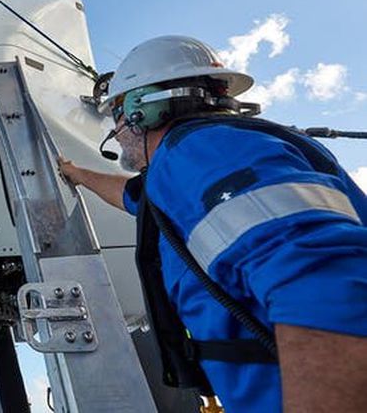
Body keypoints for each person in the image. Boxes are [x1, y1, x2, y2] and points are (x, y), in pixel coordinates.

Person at [57, 35, 367, 413]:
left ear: (141, 110)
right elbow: (135, 198)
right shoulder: (194, 167)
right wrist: (76, 173)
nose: (118, 135)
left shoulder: (205, 153)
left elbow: (325, 285)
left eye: (117, 116)